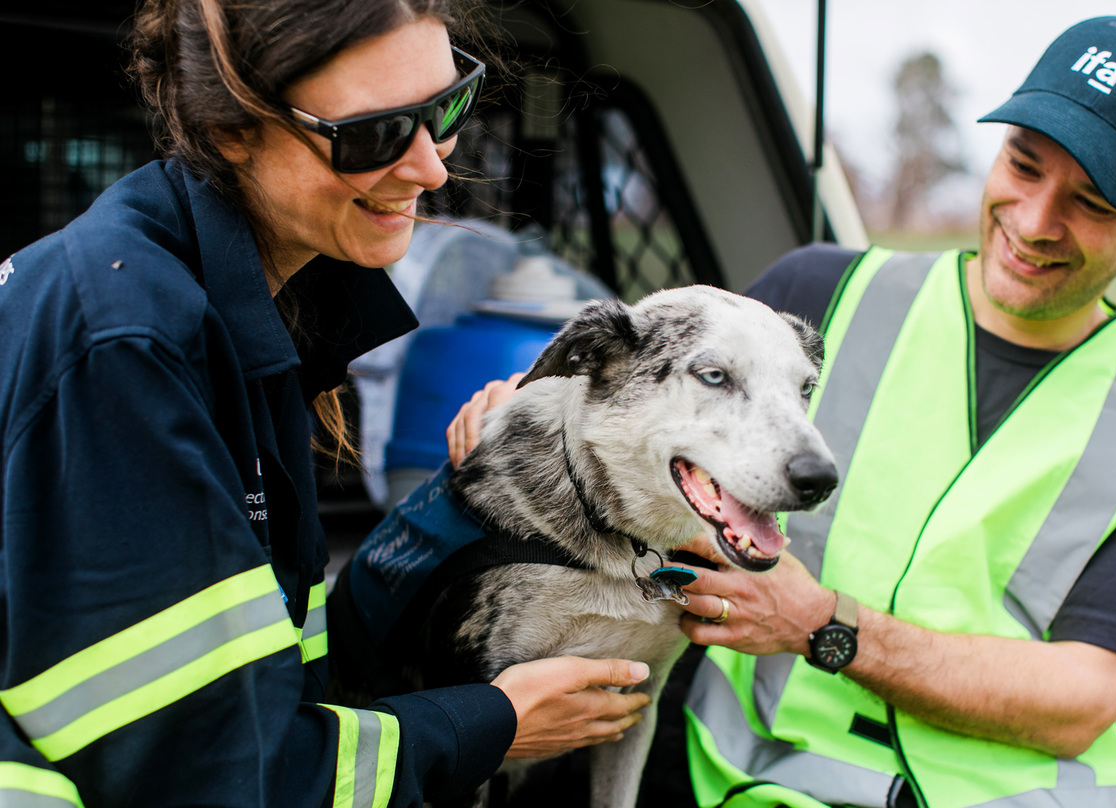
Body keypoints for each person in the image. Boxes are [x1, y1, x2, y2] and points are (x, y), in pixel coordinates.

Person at [0, 1, 650, 806]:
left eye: (446, 109)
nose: (433, 168)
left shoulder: (253, 307)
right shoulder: (127, 347)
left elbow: (280, 671)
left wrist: (470, 497)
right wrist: (490, 723)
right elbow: (219, 775)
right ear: (232, 128)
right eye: (374, 136)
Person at [667, 16, 1116, 808]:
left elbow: (1082, 699)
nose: (1035, 221)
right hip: (748, 784)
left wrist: (820, 627)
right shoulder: (816, 296)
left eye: (1094, 202)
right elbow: (642, 416)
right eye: (1023, 164)